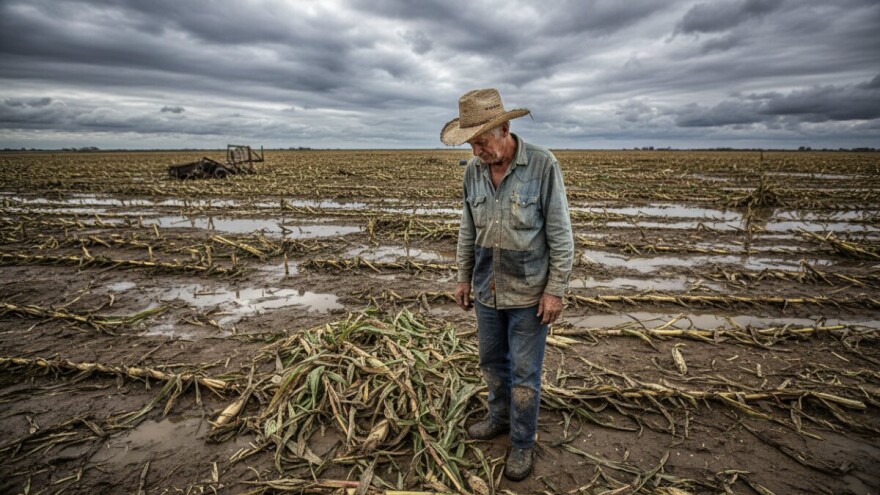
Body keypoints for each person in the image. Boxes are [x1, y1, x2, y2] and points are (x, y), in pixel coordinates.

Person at [441, 88, 574, 481]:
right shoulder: (473, 171)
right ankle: (498, 418)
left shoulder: (543, 165)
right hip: (487, 290)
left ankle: (522, 441)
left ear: (504, 129)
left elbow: (561, 235)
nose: (477, 151)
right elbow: (468, 229)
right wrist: (463, 277)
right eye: (471, 144)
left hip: (529, 294)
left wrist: (555, 290)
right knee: (491, 362)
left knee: (524, 372)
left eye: (482, 141)